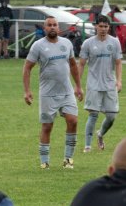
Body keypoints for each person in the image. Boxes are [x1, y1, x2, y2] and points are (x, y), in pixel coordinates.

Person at [23, 15, 84, 169]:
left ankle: (68, 159)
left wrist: (78, 86)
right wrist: (27, 91)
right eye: (49, 25)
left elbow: (73, 65)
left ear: (58, 27)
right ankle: (44, 162)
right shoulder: (38, 46)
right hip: (47, 94)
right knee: (47, 127)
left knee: (73, 121)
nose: (52, 27)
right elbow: (27, 68)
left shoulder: (66, 43)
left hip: (66, 92)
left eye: (54, 25)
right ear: (45, 28)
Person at [78, 14, 123, 153]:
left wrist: (119, 81)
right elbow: (81, 64)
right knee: (93, 114)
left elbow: (118, 62)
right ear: (96, 26)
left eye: (106, 26)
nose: (103, 29)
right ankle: (87, 146)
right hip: (93, 84)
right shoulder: (88, 43)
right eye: (101, 26)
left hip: (110, 84)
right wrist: (78, 85)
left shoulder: (114, 42)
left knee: (111, 116)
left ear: (109, 27)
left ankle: (100, 134)